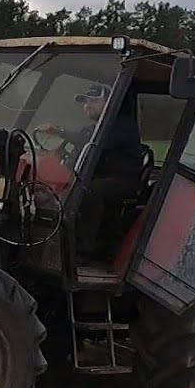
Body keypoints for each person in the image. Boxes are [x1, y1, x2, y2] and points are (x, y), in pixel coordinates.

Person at [36, 84, 144, 260]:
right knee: (54, 188)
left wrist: (59, 131)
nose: (88, 105)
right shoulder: (89, 129)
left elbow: (96, 143)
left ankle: (82, 250)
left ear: (110, 102)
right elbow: (77, 154)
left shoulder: (122, 125)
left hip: (122, 181)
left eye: (94, 100)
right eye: (85, 101)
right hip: (93, 177)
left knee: (87, 191)